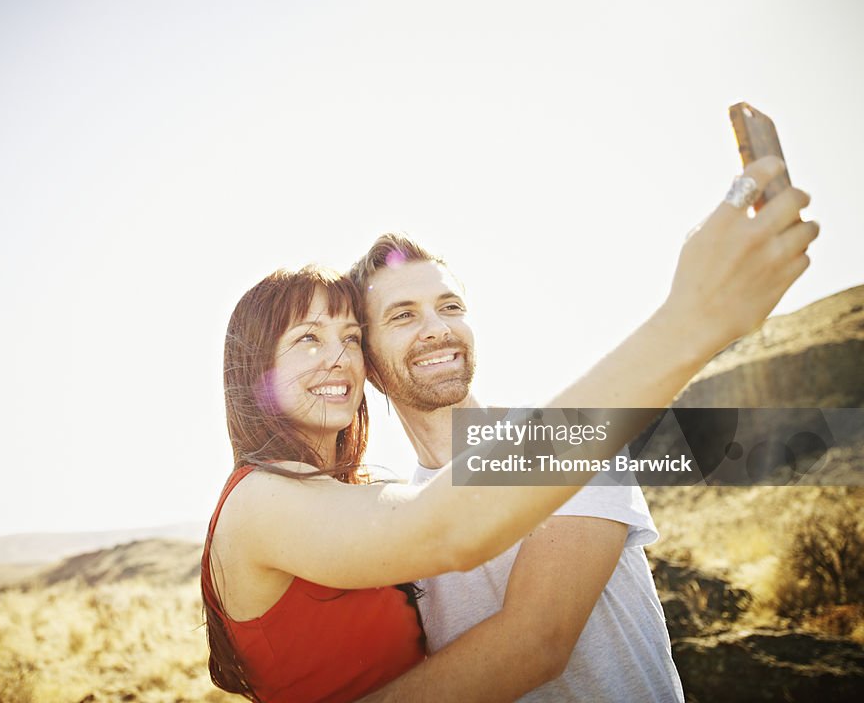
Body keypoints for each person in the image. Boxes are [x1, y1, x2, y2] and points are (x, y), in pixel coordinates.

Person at [202, 156, 818, 702]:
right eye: (401, 316)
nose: (437, 329)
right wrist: (690, 321)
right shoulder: (357, 506)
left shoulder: (565, 439)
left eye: (450, 307)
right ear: (378, 372)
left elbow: (538, 641)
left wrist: (693, 319)